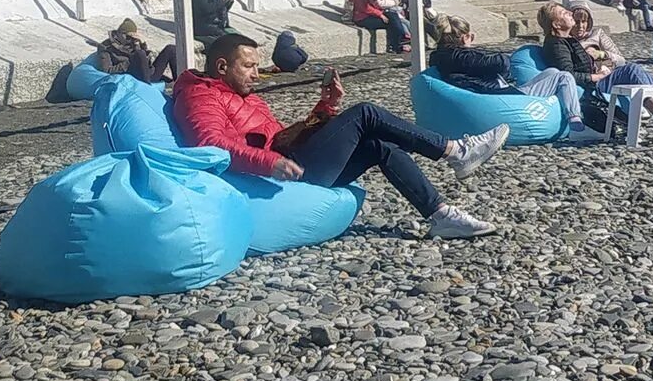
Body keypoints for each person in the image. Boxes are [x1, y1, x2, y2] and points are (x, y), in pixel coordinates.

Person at [174, 32, 504, 238]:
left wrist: (325, 108)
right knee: (365, 112)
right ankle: (453, 151)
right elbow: (209, 145)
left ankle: (441, 215)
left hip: (292, 161)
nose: (257, 75)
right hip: (283, 175)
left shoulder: (247, 97)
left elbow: (281, 138)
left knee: (379, 146)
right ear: (221, 67)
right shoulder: (202, 96)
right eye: (249, 67)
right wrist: (269, 162)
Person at [432, 16, 613, 142]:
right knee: (564, 77)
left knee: (551, 72)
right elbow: (502, 62)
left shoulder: (439, 56)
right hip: (500, 96)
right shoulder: (463, 56)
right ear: (464, 37)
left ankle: (564, 110)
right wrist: (471, 48)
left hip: (488, 93)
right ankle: (576, 125)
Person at [538, 4, 653, 127]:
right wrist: (597, 76)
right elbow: (568, 75)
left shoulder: (567, 41)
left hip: (596, 77)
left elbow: (618, 58)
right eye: (565, 13)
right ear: (556, 24)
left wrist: (601, 58)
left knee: (635, 72)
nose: (570, 14)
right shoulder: (557, 45)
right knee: (631, 70)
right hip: (590, 85)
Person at [346, 0, 411, 54]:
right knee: (389, 22)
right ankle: (396, 45)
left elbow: (374, 3)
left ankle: (402, 38)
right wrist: (380, 14)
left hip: (372, 13)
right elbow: (365, 8)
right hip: (362, 18)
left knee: (393, 15)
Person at [94, 18, 177, 83]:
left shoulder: (133, 42)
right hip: (132, 76)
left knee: (171, 49)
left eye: (132, 37)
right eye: (128, 37)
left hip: (148, 73)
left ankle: (180, 83)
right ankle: (147, 86)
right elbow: (107, 70)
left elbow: (145, 61)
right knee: (139, 53)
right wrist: (128, 64)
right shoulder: (105, 47)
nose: (130, 40)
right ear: (120, 33)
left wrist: (142, 46)